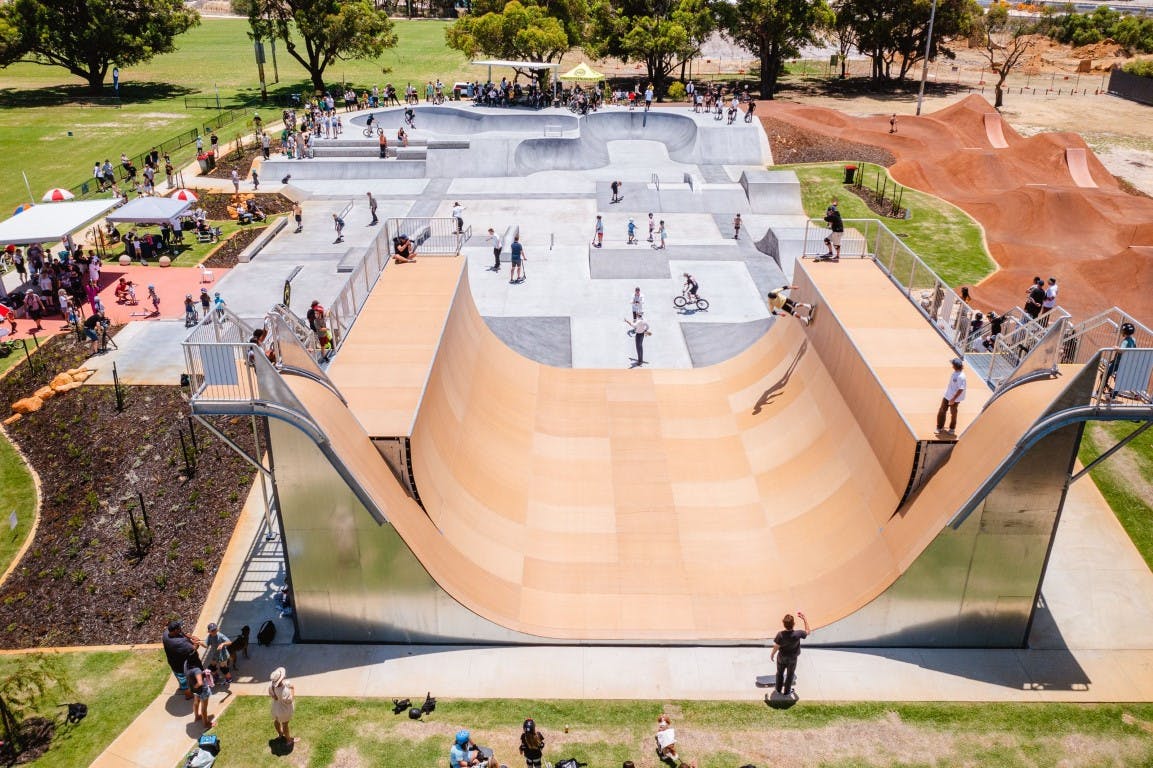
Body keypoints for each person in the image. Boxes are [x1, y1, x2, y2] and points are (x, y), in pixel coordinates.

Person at [770, 611, 810, 696]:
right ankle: (787, 692)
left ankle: (778, 689)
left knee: (779, 673)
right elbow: (808, 631)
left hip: (781, 657)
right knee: (790, 675)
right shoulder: (798, 634)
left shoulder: (780, 635)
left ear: (784, 624)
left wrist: (772, 654)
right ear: (794, 624)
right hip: (792, 659)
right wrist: (804, 619)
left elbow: (776, 646)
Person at [162, 619, 201, 701]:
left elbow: (181, 632)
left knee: (181, 679)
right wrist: (196, 643)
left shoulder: (166, 634)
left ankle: (183, 686)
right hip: (181, 667)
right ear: (176, 630)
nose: (181, 628)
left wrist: (189, 636)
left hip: (173, 662)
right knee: (185, 683)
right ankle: (188, 695)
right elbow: (193, 649)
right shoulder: (179, 643)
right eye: (179, 627)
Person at [936, 357, 967, 436]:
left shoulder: (961, 376)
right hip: (947, 395)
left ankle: (952, 429)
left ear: (955, 366)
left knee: (953, 413)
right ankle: (939, 427)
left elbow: (961, 389)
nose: (951, 366)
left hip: (954, 399)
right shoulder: (955, 373)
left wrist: (953, 399)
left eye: (952, 364)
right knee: (942, 410)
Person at [184, 653, 214, 729]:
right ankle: (206, 723)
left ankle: (197, 716)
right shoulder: (196, 670)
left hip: (194, 689)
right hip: (202, 690)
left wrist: (193, 687)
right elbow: (200, 682)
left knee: (196, 702)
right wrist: (196, 685)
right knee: (204, 708)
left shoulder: (186, 664)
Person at [269, 667, 298, 744]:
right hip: (284, 710)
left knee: (276, 721)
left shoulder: (271, 686)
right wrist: (292, 689)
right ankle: (289, 740)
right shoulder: (285, 691)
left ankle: (280, 733)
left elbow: (273, 696)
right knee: (285, 724)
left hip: (275, 708)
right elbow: (289, 700)